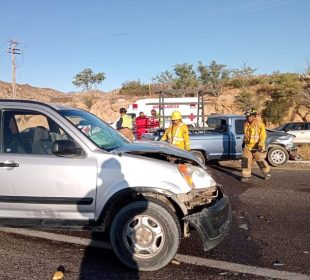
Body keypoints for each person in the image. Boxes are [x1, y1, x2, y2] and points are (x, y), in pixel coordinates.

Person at [241, 108, 271, 182]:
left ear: (254, 116)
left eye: (250, 116)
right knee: (245, 161)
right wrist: (243, 142)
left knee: (260, 160)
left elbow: (263, 136)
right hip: (248, 147)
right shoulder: (246, 125)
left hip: (257, 147)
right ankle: (246, 176)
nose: (248, 118)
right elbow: (246, 136)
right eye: (247, 116)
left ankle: (267, 173)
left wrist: (260, 145)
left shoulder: (260, 125)